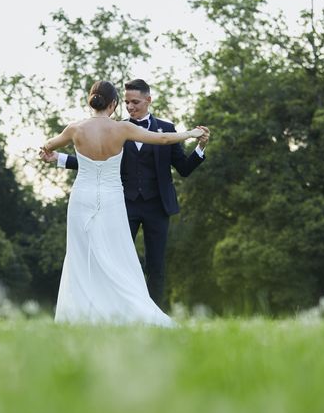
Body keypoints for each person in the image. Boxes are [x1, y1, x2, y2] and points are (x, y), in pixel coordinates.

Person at [39, 80, 205, 326]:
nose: (129, 106)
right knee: (118, 259)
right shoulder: (121, 129)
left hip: (134, 204)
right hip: (118, 202)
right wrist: (190, 133)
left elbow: (183, 168)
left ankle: (138, 311)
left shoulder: (76, 128)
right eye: (125, 102)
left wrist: (199, 147)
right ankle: (119, 312)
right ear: (115, 104)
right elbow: (161, 141)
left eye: (134, 102)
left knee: (138, 263)